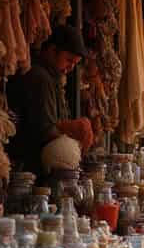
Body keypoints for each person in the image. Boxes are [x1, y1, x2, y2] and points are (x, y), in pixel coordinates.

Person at [8, 25, 93, 176]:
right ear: (52, 51)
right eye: (68, 60)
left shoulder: (53, 78)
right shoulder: (40, 77)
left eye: (75, 64)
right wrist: (69, 128)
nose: (70, 68)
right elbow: (43, 131)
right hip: (31, 170)